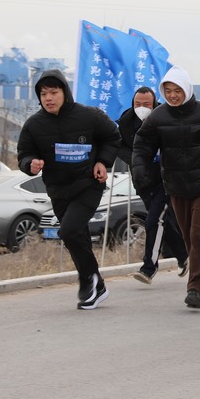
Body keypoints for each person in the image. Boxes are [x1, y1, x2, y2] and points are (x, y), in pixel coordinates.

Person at [132, 68, 200, 308]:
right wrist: (139, 168)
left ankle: (195, 287)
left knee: (199, 234)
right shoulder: (157, 117)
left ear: (187, 89)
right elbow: (141, 145)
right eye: (167, 91)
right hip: (176, 186)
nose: (172, 95)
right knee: (189, 237)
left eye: (177, 90)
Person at [17, 69, 121, 310]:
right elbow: (24, 154)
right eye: (43, 94)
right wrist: (30, 164)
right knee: (77, 236)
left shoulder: (89, 116)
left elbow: (113, 136)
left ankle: (87, 281)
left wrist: (102, 161)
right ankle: (97, 284)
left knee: (69, 231)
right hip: (58, 189)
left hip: (88, 185)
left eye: (53, 92)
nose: (48, 98)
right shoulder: (34, 124)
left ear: (65, 92)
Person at [117, 87, 188, 284]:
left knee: (153, 220)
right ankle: (184, 256)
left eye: (146, 104)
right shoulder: (125, 122)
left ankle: (149, 266)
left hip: (166, 180)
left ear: (154, 103)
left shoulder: (164, 118)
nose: (142, 108)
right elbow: (119, 147)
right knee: (161, 222)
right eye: (138, 104)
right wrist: (136, 160)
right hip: (143, 181)